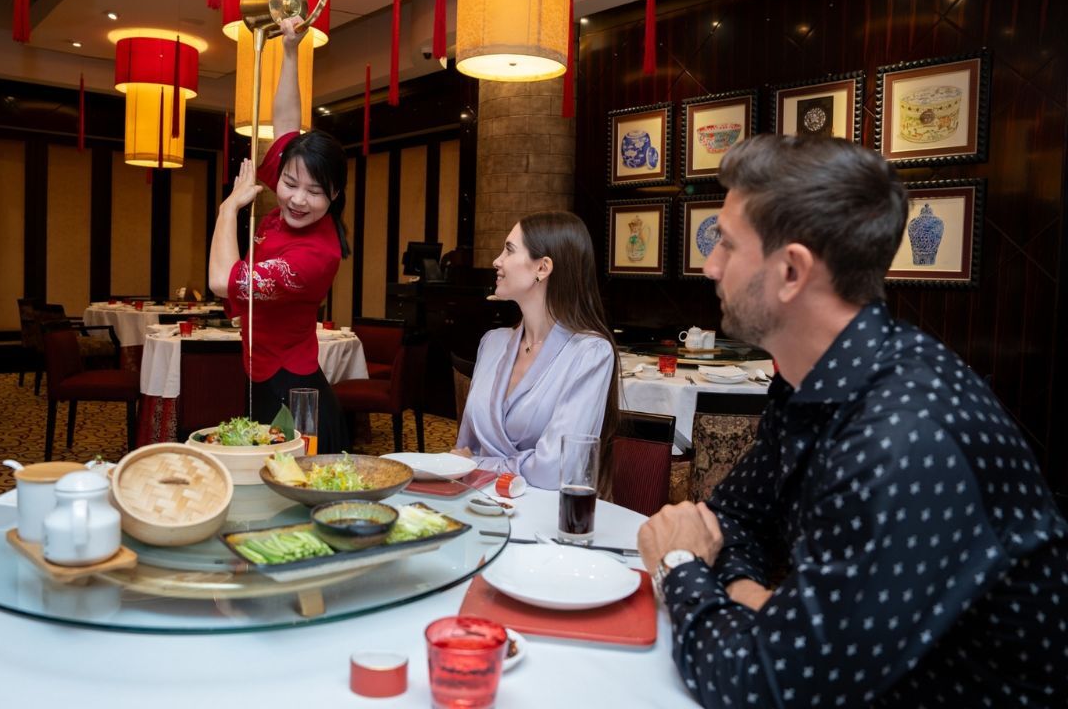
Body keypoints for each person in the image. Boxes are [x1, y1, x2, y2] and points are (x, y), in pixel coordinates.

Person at [637, 134, 1068, 707]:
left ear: (792, 271)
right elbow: (736, 519)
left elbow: (760, 685)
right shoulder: (812, 381)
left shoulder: (906, 436)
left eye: (727, 245)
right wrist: (744, 590)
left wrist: (679, 565)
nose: (710, 267)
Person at [207, 16, 351, 452]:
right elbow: (287, 123)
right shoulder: (288, 203)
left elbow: (220, 281)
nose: (297, 200)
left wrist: (228, 208)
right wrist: (289, 51)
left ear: (335, 194)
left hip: (294, 390)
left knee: (299, 488)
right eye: (289, 184)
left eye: (314, 191)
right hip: (260, 372)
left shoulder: (316, 256)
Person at [453, 211, 619, 490]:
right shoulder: (492, 343)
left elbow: (555, 469)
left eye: (509, 250)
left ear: (542, 268)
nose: (497, 261)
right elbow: (463, 451)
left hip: (544, 518)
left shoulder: (590, 353)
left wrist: (480, 465)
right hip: (477, 507)